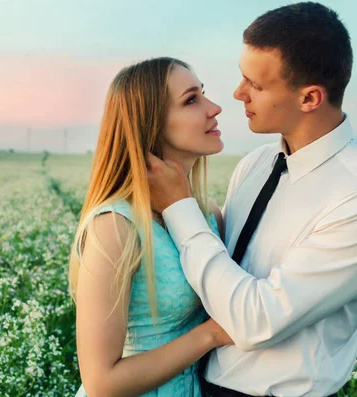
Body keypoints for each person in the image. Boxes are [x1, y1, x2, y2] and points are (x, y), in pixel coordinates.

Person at [147, 3, 357, 396]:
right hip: (195, 385)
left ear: (310, 98)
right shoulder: (255, 164)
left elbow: (254, 322)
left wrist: (178, 208)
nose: (237, 95)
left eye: (255, 84)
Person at [69, 57, 233, 397]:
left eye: (204, 94)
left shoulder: (209, 215)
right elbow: (101, 383)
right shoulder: (114, 227)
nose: (214, 108)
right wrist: (212, 335)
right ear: (151, 125)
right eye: (191, 100)